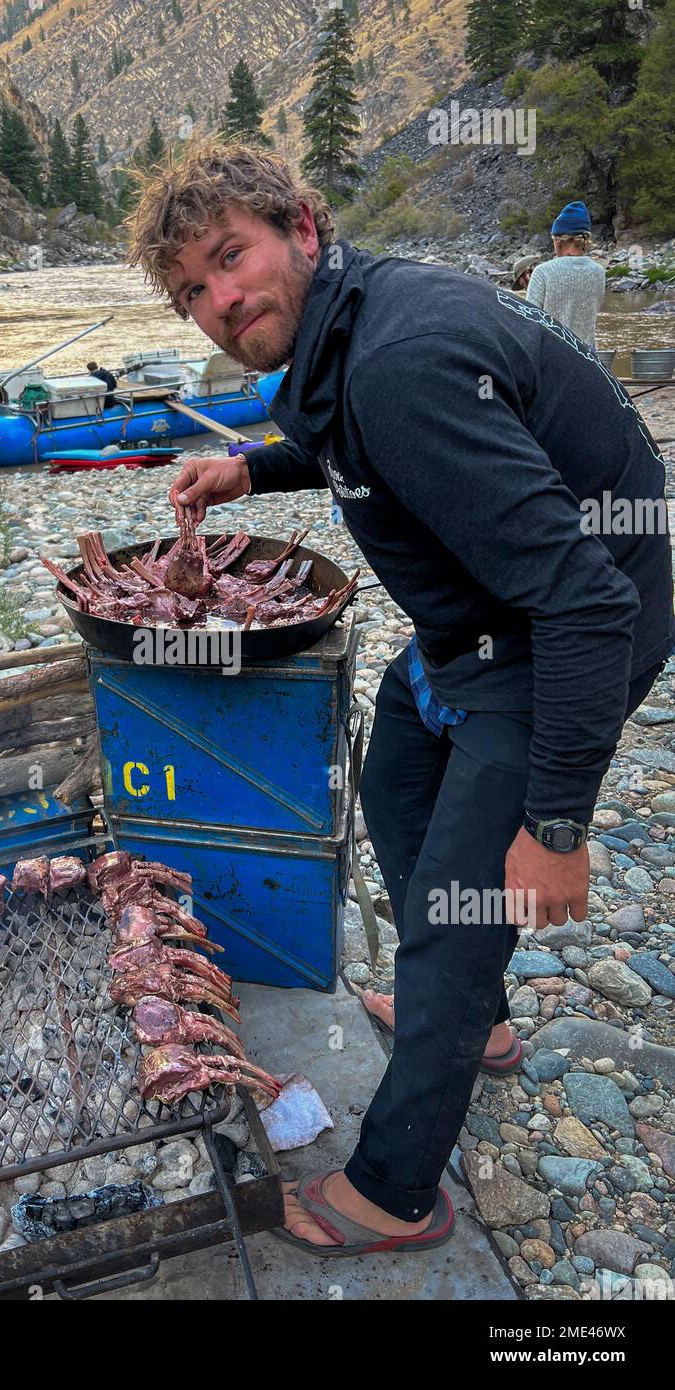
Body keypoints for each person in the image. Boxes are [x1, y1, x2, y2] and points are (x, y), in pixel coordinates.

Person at [125, 140, 674, 1257]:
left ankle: (394, 1187)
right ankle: (481, 1025)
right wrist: (254, 468)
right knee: (395, 777)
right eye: (193, 289)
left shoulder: (399, 361)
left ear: (305, 229)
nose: (221, 299)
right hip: (478, 623)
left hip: (562, 630)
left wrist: (555, 824)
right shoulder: (347, 331)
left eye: (232, 257)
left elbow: (585, 602)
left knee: (455, 914)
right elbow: (339, 429)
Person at [526, 201, 606, 346]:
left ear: (558, 239)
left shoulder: (543, 272)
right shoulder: (599, 272)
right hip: (587, 358)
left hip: (550, 358)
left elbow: (528, 322)